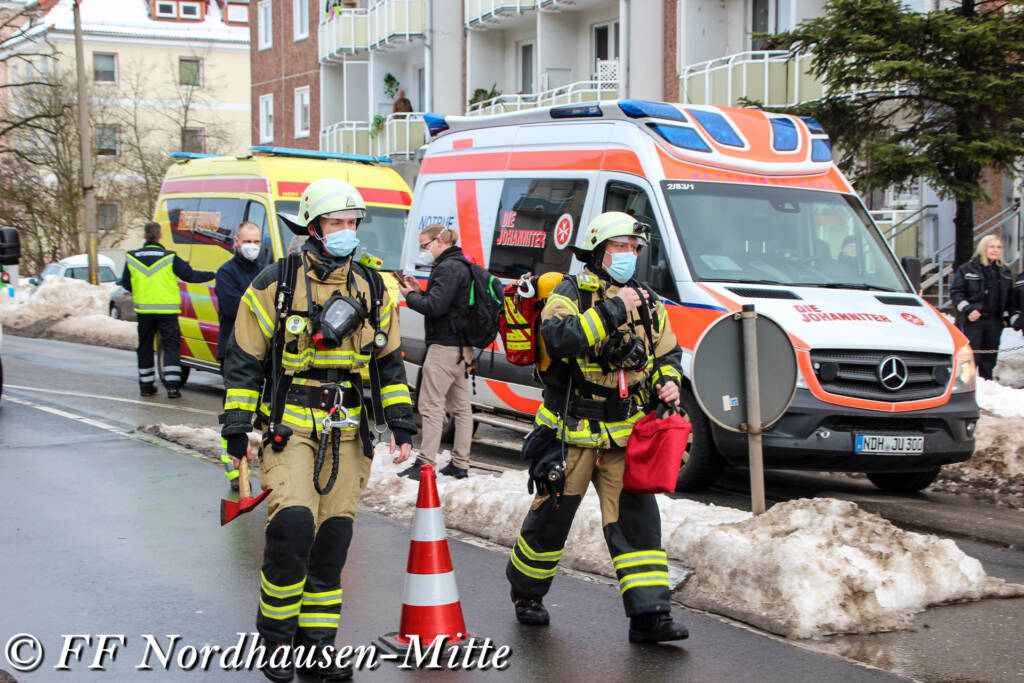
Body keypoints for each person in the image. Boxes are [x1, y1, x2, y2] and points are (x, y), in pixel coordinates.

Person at [220, 177, 415, 683]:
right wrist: (237, 429)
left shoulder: (373, 288)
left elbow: (389, 365)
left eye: (353, 223)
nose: (347, 232)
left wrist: (401, 423)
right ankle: (276, 643)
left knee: (332, 540)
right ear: (313, 227)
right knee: (293, 529)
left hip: (348, 429)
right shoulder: (274, 283)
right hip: (291, 427)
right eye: (336, 223)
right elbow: (243, 361)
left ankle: (317, 648)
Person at [505, 211, 689, 644]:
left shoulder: (647, 300)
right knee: (552, 518)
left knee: (639, 523)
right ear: (597, 250)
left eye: (633, 248)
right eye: (620, 247)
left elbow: (668, 353)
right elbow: (561, 338)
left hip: (625, 434)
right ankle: (526, 594)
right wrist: (612, 309)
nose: (629, 255)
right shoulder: (569, 293)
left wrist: (667, 382)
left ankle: (650, 617)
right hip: (572, 433)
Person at [396, 224, 474, 480]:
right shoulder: (462, 264)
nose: (423, 251)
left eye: (425, 245)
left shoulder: (446, 267)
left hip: (444, 347)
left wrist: (410, 297)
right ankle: (461, 463)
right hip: (462, 347)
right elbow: (445, 302)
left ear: (439, 241)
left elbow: (436, 307)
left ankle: (425, 463)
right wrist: (420, 292)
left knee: (430, 405)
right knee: (461, 407)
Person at [122, 221, 215, 399]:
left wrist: (143, 291)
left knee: (145, 348)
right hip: (167, 312)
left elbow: (126, 282)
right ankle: (172, 387)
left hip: (144, 312)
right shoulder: (169, 257)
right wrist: (214, 274)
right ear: (160, 236)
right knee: (171, 346)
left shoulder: (132, 257)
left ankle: (146, 386)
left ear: (144, 236)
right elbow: (191, 276)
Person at [214, 221, 264, 491]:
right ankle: (235, 473)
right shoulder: (226, 273)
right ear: (235, 242)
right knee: (235, 413)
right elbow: (236, 308)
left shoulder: (263, 272)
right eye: (248, 241)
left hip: (260, 352)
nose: (253, 247)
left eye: (257, 242)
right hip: (234, 352)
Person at [950, 235, 1014, 380]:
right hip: (973, 321)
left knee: (989, 360)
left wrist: (1006, 317)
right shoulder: (967, 269)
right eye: (992, 247)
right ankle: (967, 387)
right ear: (983, 248)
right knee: (972, 358)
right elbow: (956, 293)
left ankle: (986, 385)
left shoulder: (1004, 271)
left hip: (994, 322)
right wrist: (968, 310)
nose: (995, 250)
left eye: (998, 247)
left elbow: (1009, 297)